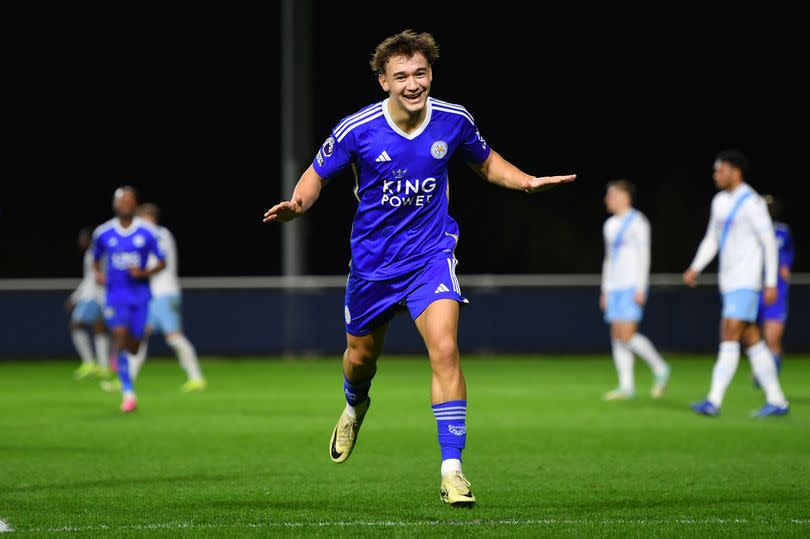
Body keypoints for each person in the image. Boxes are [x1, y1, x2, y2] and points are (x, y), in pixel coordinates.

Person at [263, 29, 575, 507]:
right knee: (361, 359)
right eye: (401, 75)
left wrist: (527, 183)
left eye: (420, 73)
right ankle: (354, 405)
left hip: (431, 256)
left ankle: (453, 470)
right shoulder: (357, 129)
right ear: (383, 81)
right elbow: (315, 174)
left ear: (431, 74)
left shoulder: (454, 121)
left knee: (446, 349)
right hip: (372, 267)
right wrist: (298, 205)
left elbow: (487, 164)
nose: (413, 83)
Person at [683, 150, 789, 417]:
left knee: (728, 333)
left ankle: (714, 400)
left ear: (735, 171)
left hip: (747, 280)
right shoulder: (719, 201)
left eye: (720, 170)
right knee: (751, 339)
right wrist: (696, 266)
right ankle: (777, 401)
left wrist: (770, 282)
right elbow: (712, 239)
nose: (716, 175)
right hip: (728, 281)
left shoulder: (752, 203)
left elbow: (768, 244)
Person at [92, 186, 166, 412]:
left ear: (135, 204)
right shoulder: (103, 233)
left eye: (130, 200)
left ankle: (125, 353)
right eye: (122, 201)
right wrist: (99, 275)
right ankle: (128, 392)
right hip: (115, 295)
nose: (126, 204)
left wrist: (143, 273)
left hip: (140, 295)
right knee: (120, 336)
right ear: (115, 205)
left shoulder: (146, 233)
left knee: (134, 345)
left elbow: (162, 261)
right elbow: (95, 259)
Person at [600, 180, 670, 401]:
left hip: (631, 285)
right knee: (617, 336)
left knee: (627, 335)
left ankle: (660, 368)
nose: (607, 200)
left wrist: (641, 286)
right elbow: (608, 260)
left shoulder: (638, 222)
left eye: (611, 195)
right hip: (615, 286)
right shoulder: (609, 225)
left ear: (624, 197)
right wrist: (605, 289)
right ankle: (626, 386)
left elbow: (644, 256)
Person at [128, 203, 206, 392]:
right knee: (138, 336)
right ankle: (126, 380)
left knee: (174, 338)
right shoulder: (151, 236)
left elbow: (155, 263)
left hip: (165, 293)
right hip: (153, 295)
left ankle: (196, 378)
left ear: (149, 218)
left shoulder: (160, 234)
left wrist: (139, 272)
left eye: (140, 219)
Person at [755, 194, 794, 382]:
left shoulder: (782, 231)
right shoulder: (753, 231)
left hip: (777, 290)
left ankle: (771, 377)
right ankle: (763, 369)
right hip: (755, 289)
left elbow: (788, 252)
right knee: (758, 336)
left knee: (772, 337)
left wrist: (786, 265)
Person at [66, 227, 111, 381]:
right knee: (99, 327)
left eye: (83, 237)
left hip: (93, 296)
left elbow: (92, 280)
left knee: (76, 324)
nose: (81, 240)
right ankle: (103, 366)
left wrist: (75, 298)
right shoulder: (98, 252)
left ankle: (89, 363)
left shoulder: (94, 254)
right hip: (101, 296)